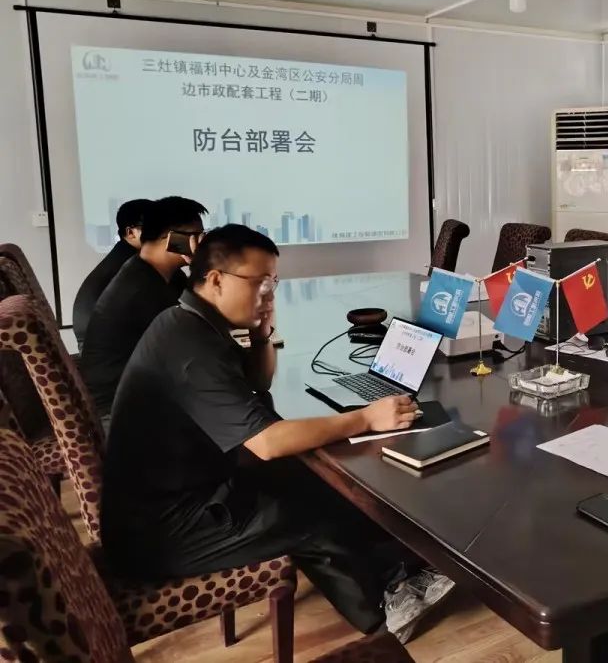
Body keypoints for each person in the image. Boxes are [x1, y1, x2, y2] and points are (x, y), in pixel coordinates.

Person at [102, 224, 452, 641]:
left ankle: (397, 568)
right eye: (261, 284)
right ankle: (386, 611)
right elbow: (267, 442)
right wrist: (365, 419)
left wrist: (262, 331)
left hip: (191, 490)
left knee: (313, 478)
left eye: (274, 283)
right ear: (215, 279)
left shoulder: (193, 322)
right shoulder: (188, 348)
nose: (270, 294)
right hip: (163, 531)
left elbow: (258, 382)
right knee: (302, 516)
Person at [79, 196, 207, 423]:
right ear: (172, 239)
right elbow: (191, 341)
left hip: (139, 395)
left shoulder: (159, 273)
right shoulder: (140, 287)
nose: (201, 243)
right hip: (119, 412)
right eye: (196, 236)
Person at [72, 198, 152, 347]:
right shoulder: (133, 266)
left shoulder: (123, 258)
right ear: (130, 232)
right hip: (109, 349)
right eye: (154, 228)